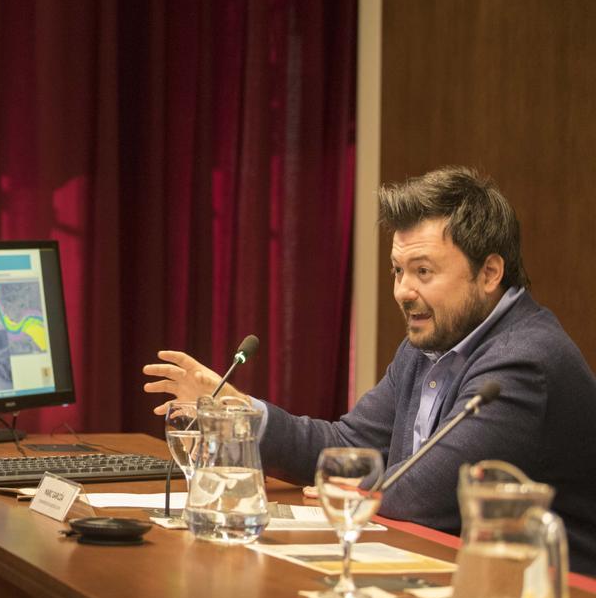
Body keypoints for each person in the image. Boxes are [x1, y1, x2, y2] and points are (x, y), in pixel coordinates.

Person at [143, 166, 596, 576]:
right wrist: (239, 411)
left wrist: (348, 489)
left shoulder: (524, 360)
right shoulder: (428, 345)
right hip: (443, 572)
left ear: (490, 272)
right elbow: (348, 445)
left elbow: (425, 496)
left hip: (549, 597)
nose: (403, 291)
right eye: (397, 271)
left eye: (423, 271)